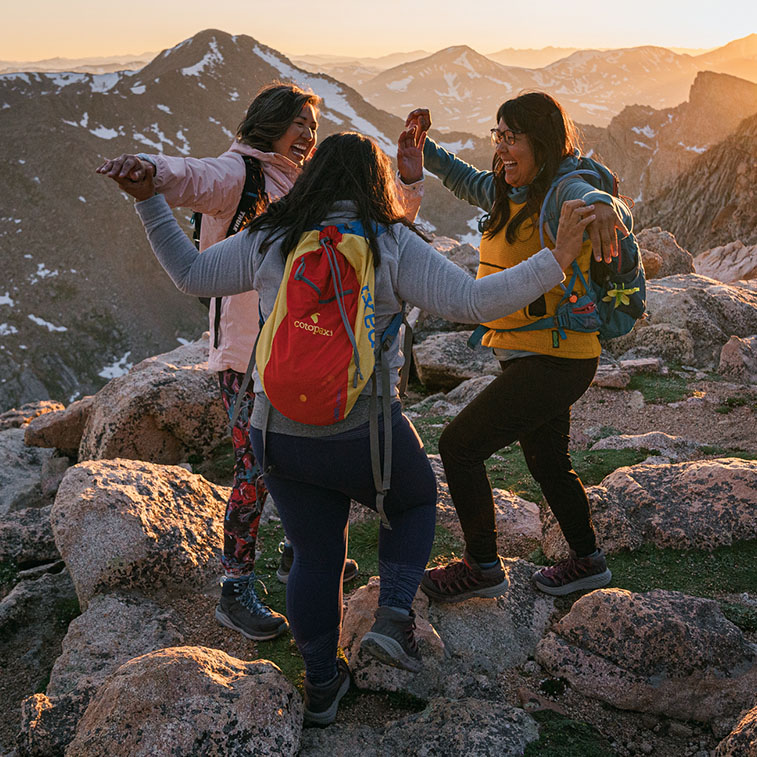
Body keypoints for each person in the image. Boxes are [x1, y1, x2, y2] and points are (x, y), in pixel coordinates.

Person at [100, 128, 595, 724]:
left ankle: (321, 682)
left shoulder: (271, 236)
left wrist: (149, 199)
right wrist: (558, 258)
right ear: (375, 182)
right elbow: (476, 301)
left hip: (275, 428)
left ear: (311, 179)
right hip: (362, 431)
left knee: (315, 552)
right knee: (412, 502)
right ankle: (392, 619)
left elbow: (190, 273)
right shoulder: (389, 243)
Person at [96, 83, 423, 642]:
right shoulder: (237, 174)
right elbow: (191, 176)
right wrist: (149, 173)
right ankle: (235, 588)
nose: (308, 135)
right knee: (255, 472)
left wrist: (409, 180)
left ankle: (305, 556)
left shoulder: (300, 180)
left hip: (300, 352)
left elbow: (375, 217)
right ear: (269, 122)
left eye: (313, 125)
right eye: (299, 123)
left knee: (295, 457)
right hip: (249, 357)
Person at [403, 92, 632, 600]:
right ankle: (589, 560)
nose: (503, 148)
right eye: (498, 136)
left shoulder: (560, 192)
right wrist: (428, 153)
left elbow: (592, 194)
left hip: (554, 358)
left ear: (542, 142)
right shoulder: (511, 191)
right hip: (536, 356)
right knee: (548, 462)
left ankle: (483, 567)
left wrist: (605, 208)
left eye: (513, 137)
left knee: (458, 447)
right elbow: (466, 181)